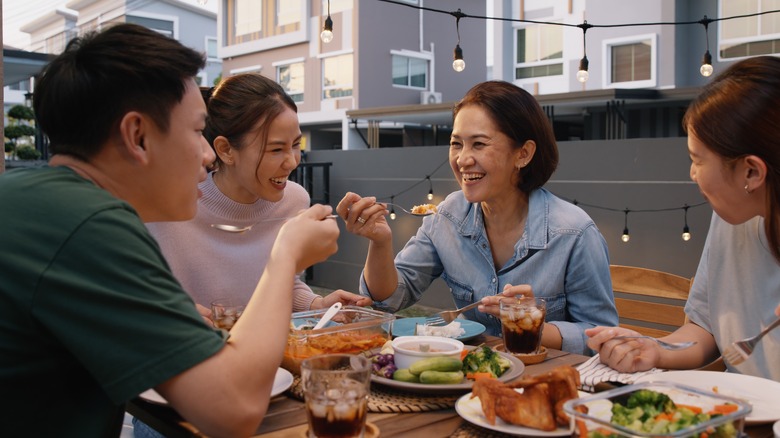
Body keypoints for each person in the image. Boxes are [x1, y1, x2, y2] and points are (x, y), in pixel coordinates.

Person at [0, 23, 340, 437]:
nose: (206, 154)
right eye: (198, 131)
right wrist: (284, 253)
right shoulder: (90, 227)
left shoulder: (37, 202)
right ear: (137, 136)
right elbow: (232, 410)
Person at [337, 80, 618, 355]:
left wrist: (528, 323)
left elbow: (600, 336)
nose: (462, 159)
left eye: (479, 144)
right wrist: (380, 241)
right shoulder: (447, 216)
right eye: (456, 143)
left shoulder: (575, 233)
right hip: (469, 377)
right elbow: (388, 299)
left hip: (544, 381)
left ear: (523, 153)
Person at [586, 56, 780, 382]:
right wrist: (654, 349)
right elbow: (704, 328)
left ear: (751, 171)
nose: (691, 174)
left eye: (697, 160)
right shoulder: (732, 221)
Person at [145, 73, 370, 313]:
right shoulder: (172, 208)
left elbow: (285, 284)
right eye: (275, 149)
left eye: (296, 145)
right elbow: (146, 299)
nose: (292, 162)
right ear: (225, 150)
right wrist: (180, 314)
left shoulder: (294, 200)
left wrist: (317, 304)